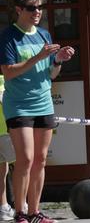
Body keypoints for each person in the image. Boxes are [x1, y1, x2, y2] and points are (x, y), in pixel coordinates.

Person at [0, 0, 75, 223]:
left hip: (44, 102)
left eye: (40, 7)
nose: (37, 12)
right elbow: (8, 72)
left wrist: (58, 60)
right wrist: (38, 56)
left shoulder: (44, 35)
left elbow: (51, 74)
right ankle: (19, 212)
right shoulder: (9, 36)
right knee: (25, 159)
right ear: (18, 9)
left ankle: (34, 212)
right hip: (18, 104)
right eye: (31, 8)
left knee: (41, 160)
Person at [0, 75, 16, 221]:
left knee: (3, 170)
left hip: (6, 131)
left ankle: (4, 207)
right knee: (20, 168)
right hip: (7, 131)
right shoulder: (6, 80)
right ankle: (23, 205)